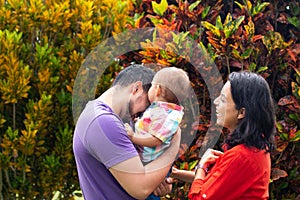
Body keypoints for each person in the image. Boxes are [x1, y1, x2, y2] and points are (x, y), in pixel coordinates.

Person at [73, 64, 181, 200]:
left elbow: (140, 175)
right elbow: (141, 188)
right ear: (136, 89)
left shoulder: (104, 117)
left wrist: (157, 181)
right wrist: (174, 143)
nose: (146, 112)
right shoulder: (103, 122)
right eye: (148, 104)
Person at [188, 71, 276, 200]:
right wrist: (173, 173)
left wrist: (202, 166)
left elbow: (200, 197)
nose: (216, 102)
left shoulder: (240, 156)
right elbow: (216, 182)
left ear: (241, 112)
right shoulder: (256, 147)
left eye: (223, 99)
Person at [125, 67, 191, 199]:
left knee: (149, 195)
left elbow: (156, 139)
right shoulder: (162, 110)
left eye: (151, 86)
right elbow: (151, 127)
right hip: (150, 165)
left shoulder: (166, 114)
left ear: (158, 89)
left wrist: (133, 137)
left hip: (152, 166)